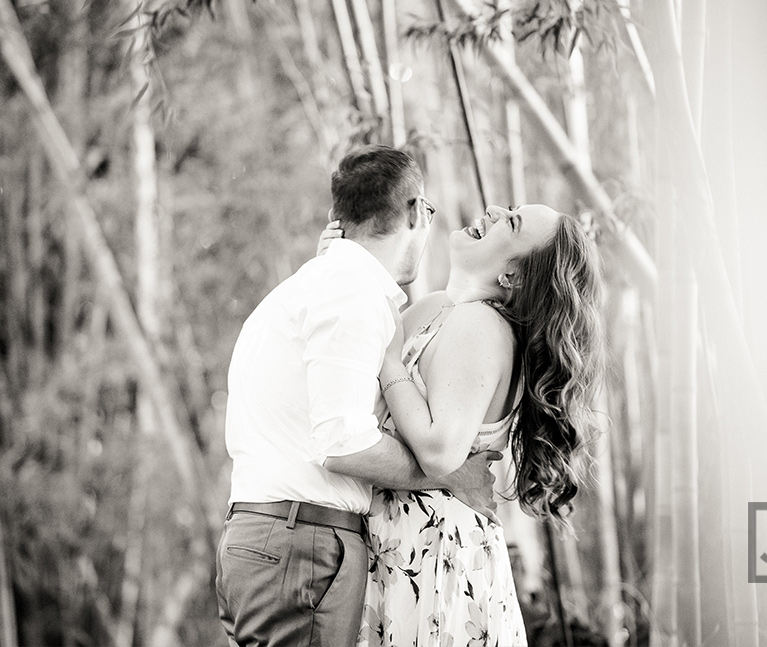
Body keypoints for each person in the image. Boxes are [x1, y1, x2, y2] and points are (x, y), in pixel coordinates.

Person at [216, 145, 501, 647]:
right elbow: (342, 443)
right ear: (415, 212)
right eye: (429, 211)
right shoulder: (352, 292)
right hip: (300, 547)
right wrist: (450, 474)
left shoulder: (321, 284)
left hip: (278, 542)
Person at [323, 203, 605, 647]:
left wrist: (391, 359)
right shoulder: (437, 310)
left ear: (512, 275)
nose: (492, 211)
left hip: (435, 558)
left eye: (510, 223)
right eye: (508, 209)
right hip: (400, 548)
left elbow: (438, 449)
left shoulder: (482, 326)